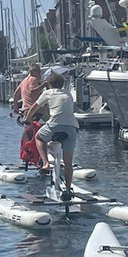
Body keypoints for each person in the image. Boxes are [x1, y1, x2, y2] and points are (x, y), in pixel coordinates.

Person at [25, 72, 79, 201]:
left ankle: (45, 163)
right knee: (68, 163)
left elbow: (34, 108)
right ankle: (67, 190)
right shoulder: (68, 94)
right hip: (71, 127)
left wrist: (27, 119)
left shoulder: (47, 93)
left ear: (49, 84)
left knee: (39, 137)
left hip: (55, 126)